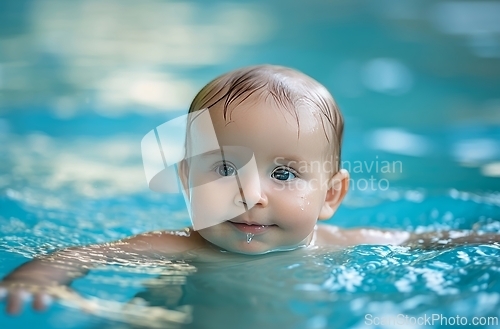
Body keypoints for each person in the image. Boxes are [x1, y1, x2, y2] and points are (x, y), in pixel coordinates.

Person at [1, 65, 498, 315]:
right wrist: (34, 278)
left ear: (331, 196)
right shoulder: (174, 247)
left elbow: (430, 242)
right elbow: (76, 255)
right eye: (222, 168)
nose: (249, 194)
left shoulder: (342, 244)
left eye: (284, 174)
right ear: (185, 179)